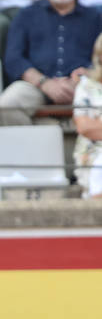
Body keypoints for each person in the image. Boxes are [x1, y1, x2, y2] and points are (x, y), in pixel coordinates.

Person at [0, 0, 102, 125]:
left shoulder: (95, 18)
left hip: (83, 87)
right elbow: (13, 58)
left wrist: (87, 75)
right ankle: (33, 144)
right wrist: (44, 83)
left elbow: (100, 58)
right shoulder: (26, 15)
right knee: (10, 103)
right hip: (38, 86)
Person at [72, 31, 102, 197]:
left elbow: (95, 128)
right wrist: (93, 125)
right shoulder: (86, 86)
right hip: (94, 153)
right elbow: (85, 127)